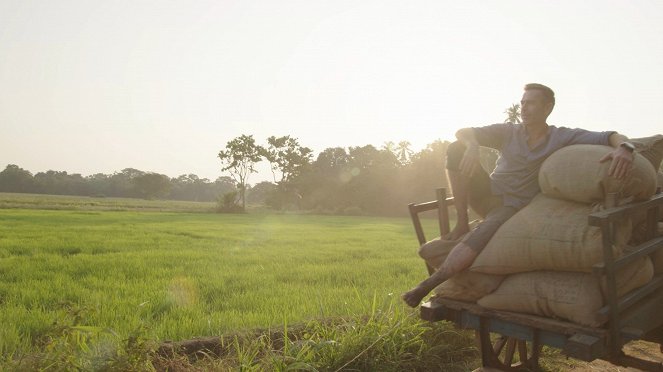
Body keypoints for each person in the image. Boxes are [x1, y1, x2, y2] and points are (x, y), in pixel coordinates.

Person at [402, 83, 636, 308]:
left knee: (484, 232)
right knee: (455, 148)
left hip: (512, 206)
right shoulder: (509, 132)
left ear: (547, 108)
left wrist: (626, 148)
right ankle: (462, 223)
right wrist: (472, 144)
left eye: (531, 103)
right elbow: (462, 132)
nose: (524, 108)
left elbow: (611, 136)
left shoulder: (561, 137)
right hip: (489, 191)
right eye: (522, 103)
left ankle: (428, 284)